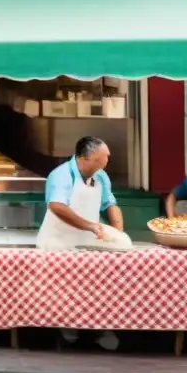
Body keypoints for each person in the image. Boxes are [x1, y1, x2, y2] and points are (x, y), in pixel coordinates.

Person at [37, 136, 130, 351]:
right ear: (84, 159)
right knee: (64, 293)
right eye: (102, 158)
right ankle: (68, 332)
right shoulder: (61, 175)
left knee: (96, 290)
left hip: (88, 243)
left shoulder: (101, 177)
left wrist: (117, 230)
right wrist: (89, 225)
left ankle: (99, 329)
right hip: (58, 243)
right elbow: (57, 206)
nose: (106, 161)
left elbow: (110, 204)